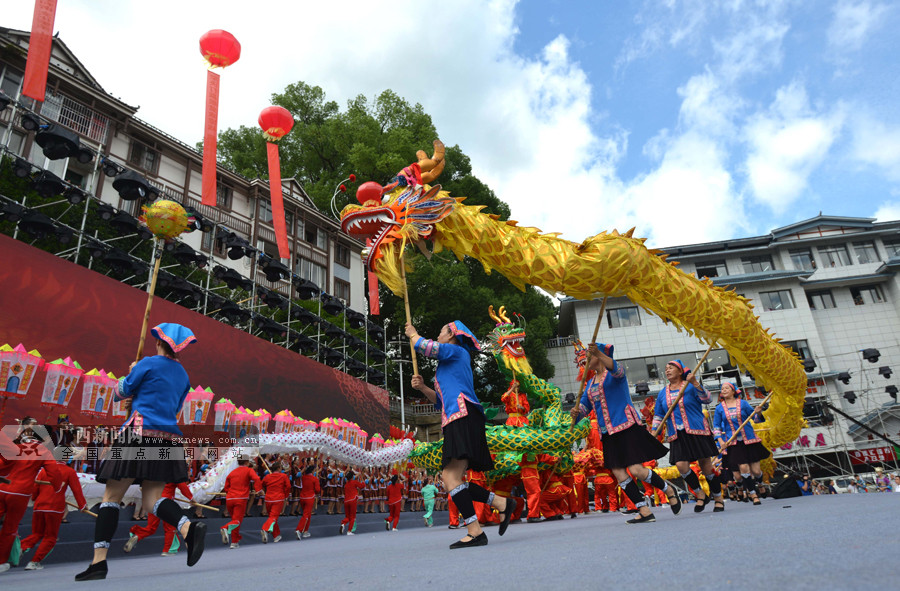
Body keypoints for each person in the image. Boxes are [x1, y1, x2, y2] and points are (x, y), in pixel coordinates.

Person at [75, 324, 205, 581]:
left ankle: (99, 562)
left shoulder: (148, 363)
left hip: (137, 433)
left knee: (111, 496)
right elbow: (176, 408)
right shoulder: (183, 375)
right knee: (152, 500)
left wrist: (131, 373)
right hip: (167, 438)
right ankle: (187, 526)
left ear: (159, 342)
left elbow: (120, 391)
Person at [407, 321, 512, 548]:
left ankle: (476, 530)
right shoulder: (452, 361)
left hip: (462, 416)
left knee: (449, 478)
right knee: (452, 479)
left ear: (453, 335)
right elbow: (440, 401)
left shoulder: (456, 351)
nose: (438, 334)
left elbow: (426, 347)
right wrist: (423, 388)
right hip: (459, 417)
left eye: (442, 331)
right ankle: (500, 504)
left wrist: (413, 334)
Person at [570, 343, 681, 524]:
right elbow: (583, 407)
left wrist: (599, 353)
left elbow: (618, 370)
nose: (586, 361)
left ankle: (668, 489)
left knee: (636, 470)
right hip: (607, 433)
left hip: (626, 426)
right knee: (619, 473)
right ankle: (644, 510)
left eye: (589, 357)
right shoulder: (589, 385)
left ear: (598, 356)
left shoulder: (615, 374)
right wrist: (576, 413)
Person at [1, 419, 72, 574]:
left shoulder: (17, 447)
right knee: (10, 528)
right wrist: (57, 486)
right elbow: (54, 474)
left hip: (3, 489)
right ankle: (1, 561)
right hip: (20, 493)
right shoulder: (43, 452)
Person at [653, 359, 724, 512]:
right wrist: (654, 431)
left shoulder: (690, 386)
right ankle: (700, 494)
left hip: (697, 430)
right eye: (666, 368)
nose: (667, 370)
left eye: (671, 367)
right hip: (676, 434)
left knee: (706, 466)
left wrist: (695, 383)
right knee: (681, 465)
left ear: (680, 371)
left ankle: (718, 498)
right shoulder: (662, 393)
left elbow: (707, 399)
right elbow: (658, 415)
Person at [21, 457, 88, 570]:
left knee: (36, 534)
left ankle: (22, 548)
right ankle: (34, 561)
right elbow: (77, 490)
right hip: (54, 507)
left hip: (39, 506)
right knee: (50, 537)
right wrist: (82, 505)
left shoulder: (43, 470)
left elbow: (35, 488)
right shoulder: (69, 471)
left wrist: (35, 497)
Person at [713, 382, 768, 505]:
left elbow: (755, 419)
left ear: (733, 391)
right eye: (722, 389)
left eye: (727, 388)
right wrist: (721, 440)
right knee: (743, 468)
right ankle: (753, 494)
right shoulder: (719, 408)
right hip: (733, 443)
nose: (724, 390)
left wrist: (758, 412)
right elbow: (716, 426)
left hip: (749, 440)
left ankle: (760, 483)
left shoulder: (743, 403)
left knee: (756, 471)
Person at [123, 480, 193, 556]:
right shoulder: (173, 471)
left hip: (152, 501)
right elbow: (182, 486)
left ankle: (137, 535)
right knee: (170, 527)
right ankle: (168, 550)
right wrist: (191, 498)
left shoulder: (156, 472)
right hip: (166, 503)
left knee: (151, 528)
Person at [221, 457, 261, 548]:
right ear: (247, 462)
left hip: (230, 499)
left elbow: (226, 487)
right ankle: (225, 528)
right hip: (240, 498)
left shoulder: (232, 472)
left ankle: (234, 542)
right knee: (237, 520)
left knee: (235, 520)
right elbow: (257, 479)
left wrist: (230, 493)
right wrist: (258, 490)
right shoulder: (248, 470)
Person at [261, 463, 290, 543]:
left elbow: (262, 484)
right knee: (273, 517)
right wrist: (286, 495)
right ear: (279, 468)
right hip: (278, 498)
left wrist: (263, 491)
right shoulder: (283, 476)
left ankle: (276, 535)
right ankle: (265, 529)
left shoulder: (267, 477)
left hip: (268, 499)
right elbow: (288, 486)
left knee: (272, 517)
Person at [296, 465, 321, 539]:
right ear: (313, 471)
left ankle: (305, 531)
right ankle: (299, 529)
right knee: (306, 514)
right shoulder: (314, 479)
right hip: (309, 497)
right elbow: (317, 490)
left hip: (302, 497)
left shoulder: (303, 477)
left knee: (308, 514)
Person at [340, 470, 365, 535]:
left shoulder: (346, 485)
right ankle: (349, 531)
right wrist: (362, 478)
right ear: (352, 477)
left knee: (347, 517)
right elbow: (362, 486)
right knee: (352, 517)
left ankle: (343, 523)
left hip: (346, 501)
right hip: (353, 500)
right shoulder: (354, 482)